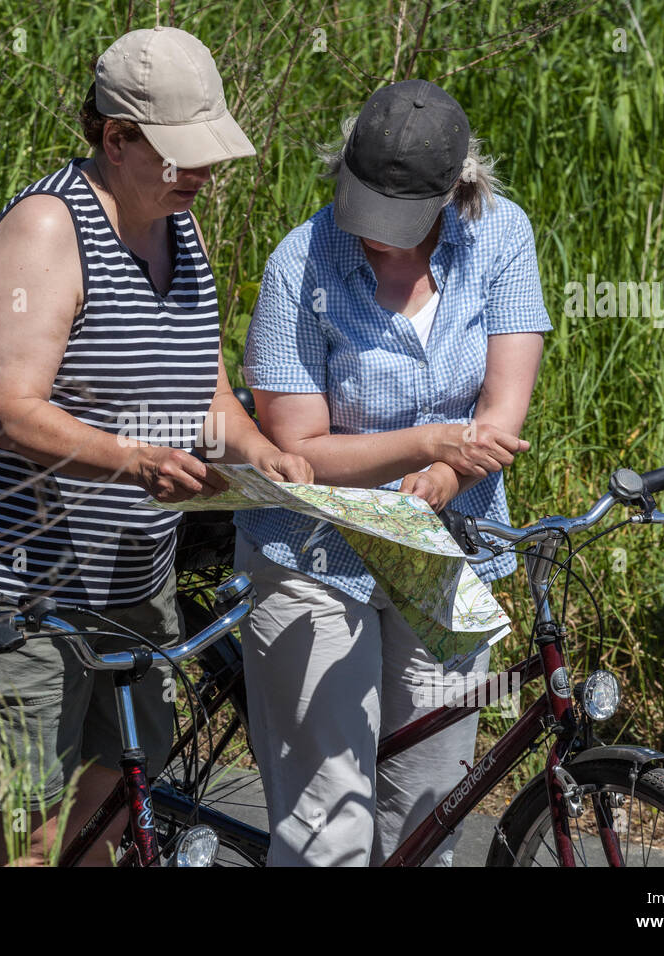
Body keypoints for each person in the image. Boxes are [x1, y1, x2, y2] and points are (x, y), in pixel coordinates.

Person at [0, 26, 312, 866]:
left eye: (208, 153)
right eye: (180, 154)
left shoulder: (181, 229)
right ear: (116, 136)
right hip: (15, 589)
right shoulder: (47, 231)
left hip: (129, 577)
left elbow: (208, 396)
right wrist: (134, 458)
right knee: (29, 834)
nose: (201, 173)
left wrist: (259, 452)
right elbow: (15, 409)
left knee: (114, 806)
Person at [233, 79, 551, 866]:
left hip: (444, 546)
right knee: (330, 823)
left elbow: (504, 403)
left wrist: (447, 475)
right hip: (313, 554)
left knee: (430, 811)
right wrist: (429, 445)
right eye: (363, 208)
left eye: (399, 219)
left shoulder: (501, 236)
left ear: (457, 189)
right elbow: (297, 452)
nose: (377, 236)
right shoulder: (299, 263)